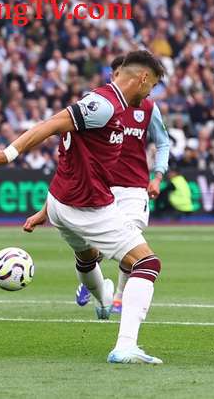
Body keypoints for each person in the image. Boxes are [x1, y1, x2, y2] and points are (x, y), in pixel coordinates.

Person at [0, 50, 167, 365]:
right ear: (142, 78)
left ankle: (103, 301)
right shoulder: (104, 104)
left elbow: (72, 159)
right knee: (147, 264)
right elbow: (52, 124)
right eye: (151, 86)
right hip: (86, 207)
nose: (149, 94)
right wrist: (8, 154)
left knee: (87, 259)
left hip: (61, 202)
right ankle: (125, 346)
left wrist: (45, 210)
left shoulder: (108, 104)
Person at [25, 55, 170, 315]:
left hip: (134, 188)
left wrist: (157, 175)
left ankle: (118, 298)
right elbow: (71, 163)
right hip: (100, 188)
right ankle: (101, 294)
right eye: (114, 75)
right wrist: (45, 210)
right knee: (92, 255)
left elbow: (163, 142)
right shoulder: (99, 106)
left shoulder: (147, 108)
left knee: (134, 247)